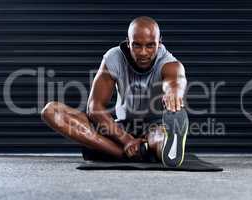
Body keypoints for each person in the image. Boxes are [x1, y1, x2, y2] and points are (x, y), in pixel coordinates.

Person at [41, 16, 189, 167]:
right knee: (51, 111)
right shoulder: (114, 57)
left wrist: (173, 93)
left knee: (159, 135)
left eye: (150, 45)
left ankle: (160, 145)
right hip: (120, 128)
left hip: (154, 127)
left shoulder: (170, 63)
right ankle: (134, 153)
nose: (143, 52)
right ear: (128, 42)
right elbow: (94, 108)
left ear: (159, 43)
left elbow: (175, 81)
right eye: (137, 45)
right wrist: (126, 140)